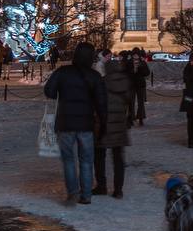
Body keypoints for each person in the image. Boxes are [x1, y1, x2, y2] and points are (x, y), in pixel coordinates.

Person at [44, 41, 108, 205]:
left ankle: (73, 191)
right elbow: (102, 102)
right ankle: (86, 195)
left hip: (65, 122)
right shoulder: (94, 76)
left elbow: (49, 91)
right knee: (86, 160)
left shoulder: (63, 72)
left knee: (68, 160)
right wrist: (103, 122)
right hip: (86, 123)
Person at [94, 56, 133, 198]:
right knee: (118, 159)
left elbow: (97, 103)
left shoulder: (103, 82)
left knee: (99, 155)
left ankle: (102, 185)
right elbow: (129, 102)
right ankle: (118, 190)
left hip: (103, 125)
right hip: (119, 124)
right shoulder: (125, 82)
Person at [129, 49, 149, 125]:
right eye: (134, 55)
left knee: (141, 103)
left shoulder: (143, 62)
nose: (136, 56)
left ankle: (140, 118)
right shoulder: (129, 62)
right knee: (131, 102)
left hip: (140, 85)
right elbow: (127, 73)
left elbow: (147, 73)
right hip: (131, 85)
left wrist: (140, 68)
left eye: (137, 54)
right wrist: (133, 70)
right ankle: (131, 118)